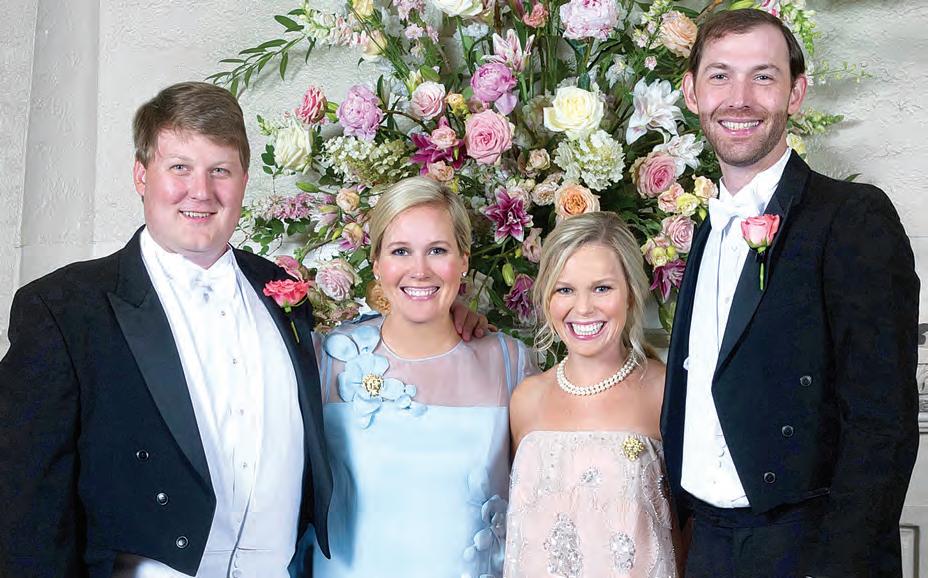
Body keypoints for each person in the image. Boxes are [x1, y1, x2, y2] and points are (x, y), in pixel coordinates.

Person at [0, 82, 485, 578]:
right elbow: (23, 505)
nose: (201, 191)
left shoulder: (282, 291)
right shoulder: (65, 309)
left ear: (244, 180)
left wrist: (451, 320)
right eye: (180, 167)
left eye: (220, 170)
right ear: (141, 175)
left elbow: (380, 349)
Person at [661, 9, 920, 577]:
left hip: (807, 547)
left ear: (795, 93)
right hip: (705, 545)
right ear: (692, 92)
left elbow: (884, 426)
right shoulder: (706, 229)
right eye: (720, 75)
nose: (739, 99)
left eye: (764, 76)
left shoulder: (852, 218)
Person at [310, 176, 534, 578]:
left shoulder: (509, 362)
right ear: (376, 264)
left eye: (437, 250)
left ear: (463, 261)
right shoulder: (329, 359)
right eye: (401, 251)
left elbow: (541, 499)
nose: (419, 270)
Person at [503, 211, 678, 578]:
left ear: (631, 294)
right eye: (565, 289)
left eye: (602, 288)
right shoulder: (525, 399)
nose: (582, 308)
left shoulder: (666, 391)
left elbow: (691, 529)